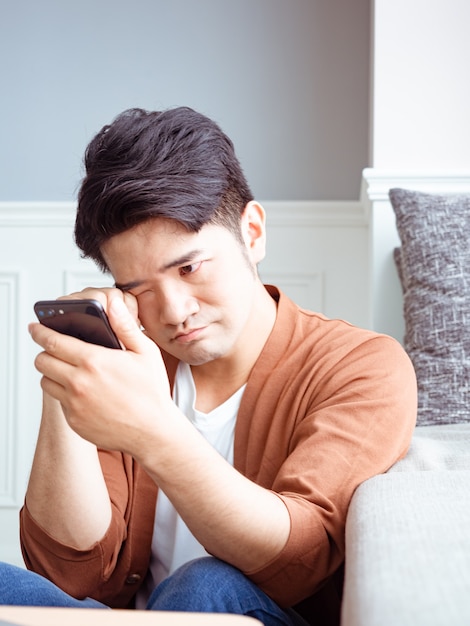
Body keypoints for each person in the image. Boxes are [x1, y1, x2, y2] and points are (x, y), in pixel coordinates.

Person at [0, 107, 417, 625]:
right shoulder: (131, 363)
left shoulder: (361, 365)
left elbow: (296, 562)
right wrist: (68, 377)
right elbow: (72, 578)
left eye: (189, 267)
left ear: (253, 232)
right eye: (137, 289)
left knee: (208, 584)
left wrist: (155, 433)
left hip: (253, 613)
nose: (173, 311)